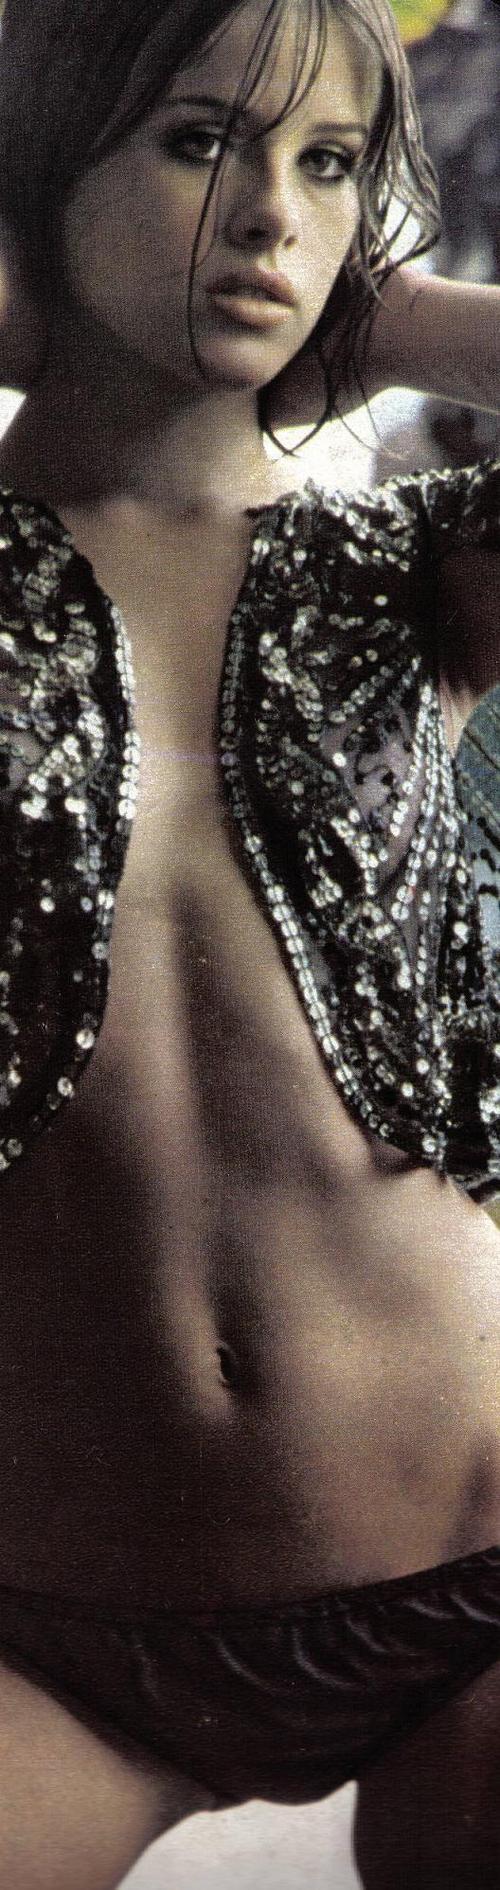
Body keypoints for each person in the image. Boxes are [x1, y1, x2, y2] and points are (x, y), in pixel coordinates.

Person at [0, 1, 498, 1885]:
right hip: (51, 1623)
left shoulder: (420, 563)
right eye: (201, 142)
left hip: (474, 1571)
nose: (276, 216)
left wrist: (400, 321)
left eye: (330, 164)